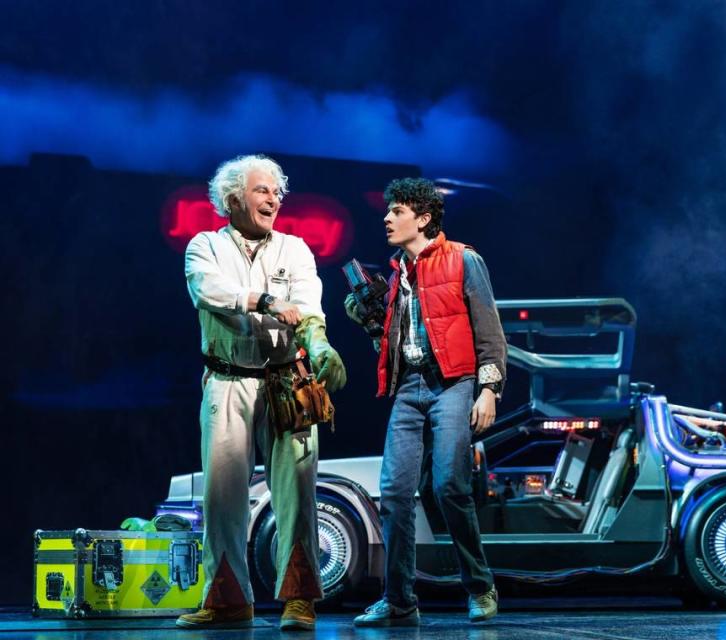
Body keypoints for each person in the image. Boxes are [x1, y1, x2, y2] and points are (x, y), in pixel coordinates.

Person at [176, 154, 346, 631]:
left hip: (285, 380)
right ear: (233, 198)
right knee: (222, 494)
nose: (273, 199)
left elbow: (309, 305)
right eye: (262, 190)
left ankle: (299, 600)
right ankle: (229, 601)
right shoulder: (204, 245)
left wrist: (320, 344)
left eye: (277, 192)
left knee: (297, 491)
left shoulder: (294, 248)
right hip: (227, 380)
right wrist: (267, 301)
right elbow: (210, 290)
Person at [346, 177, 506, 627]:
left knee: (448, 487)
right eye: (388, 210)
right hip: (410, 388)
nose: (387, 217)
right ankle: (399, 600)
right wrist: (370, 323)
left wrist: (489, 390)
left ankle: (480, 586)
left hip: (454, 383)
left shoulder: (464, 259)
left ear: (423, 216)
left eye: (397, 210)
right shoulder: (397, 273)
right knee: (395, 493)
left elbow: (490, 333)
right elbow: (393, 342)